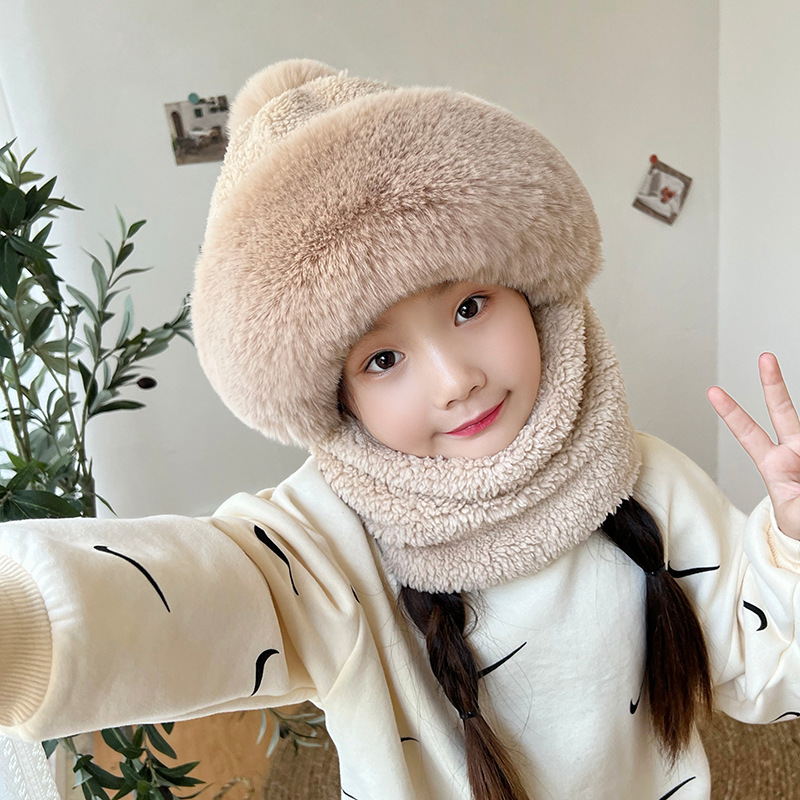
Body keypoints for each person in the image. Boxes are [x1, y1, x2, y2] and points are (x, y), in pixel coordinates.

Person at [0, 59, 798, 800]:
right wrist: (23, 623)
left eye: (470, 306)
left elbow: (762, 670)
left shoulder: (646, 480)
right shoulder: (326, 542)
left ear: (531, 290)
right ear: (339, 400)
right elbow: (191, 592)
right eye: (383, 359)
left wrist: (791, 546)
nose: (455, 380)